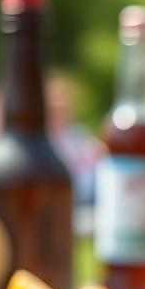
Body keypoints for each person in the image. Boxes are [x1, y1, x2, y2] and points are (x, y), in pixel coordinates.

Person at [46, 71, 107, 205]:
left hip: (88, 195)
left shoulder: (76, 134)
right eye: (56, 109)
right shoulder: (42, 139)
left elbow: (98, 152)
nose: (62, 114)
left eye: (64, 108)